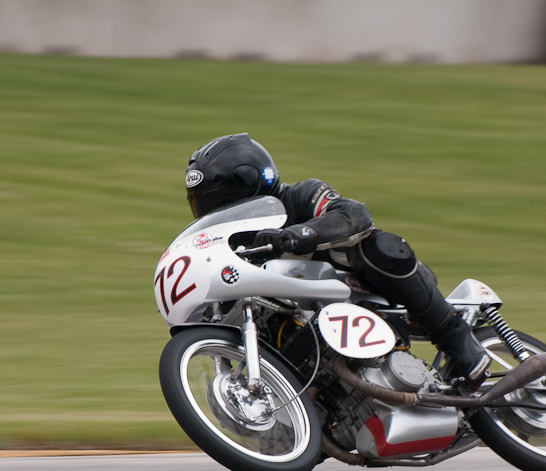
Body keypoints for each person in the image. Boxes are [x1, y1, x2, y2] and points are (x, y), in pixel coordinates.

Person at [184, 133, 490, 384]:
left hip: (371, 288)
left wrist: (299, 233)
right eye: (199, 203)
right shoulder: (235, 244)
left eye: (215, 200)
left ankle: (455, 336)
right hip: (312, 319)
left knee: (379, 244)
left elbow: (354, 215)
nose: (208, 211)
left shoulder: (300, 195)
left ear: (244, 187)